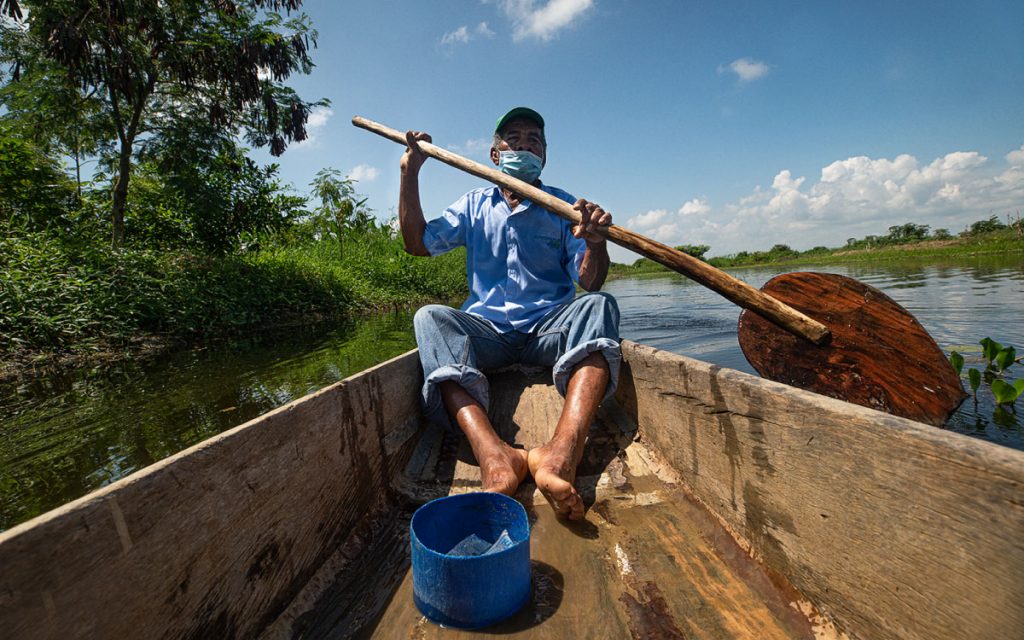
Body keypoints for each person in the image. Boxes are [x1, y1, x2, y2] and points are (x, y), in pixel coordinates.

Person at [398, 107, 620, 520]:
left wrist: (595, 242)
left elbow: (589, 283)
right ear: (494, 154)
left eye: (533, 140)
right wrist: (410, 172)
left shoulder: (565, 207)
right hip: (489, 335)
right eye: (512, 139)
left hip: (547, 333)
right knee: (429, 317)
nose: (524, 145)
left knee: (599, 306)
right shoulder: (473, 205)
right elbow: (417, 243)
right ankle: (495, 454)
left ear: (544, 156)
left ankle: (560, 451)